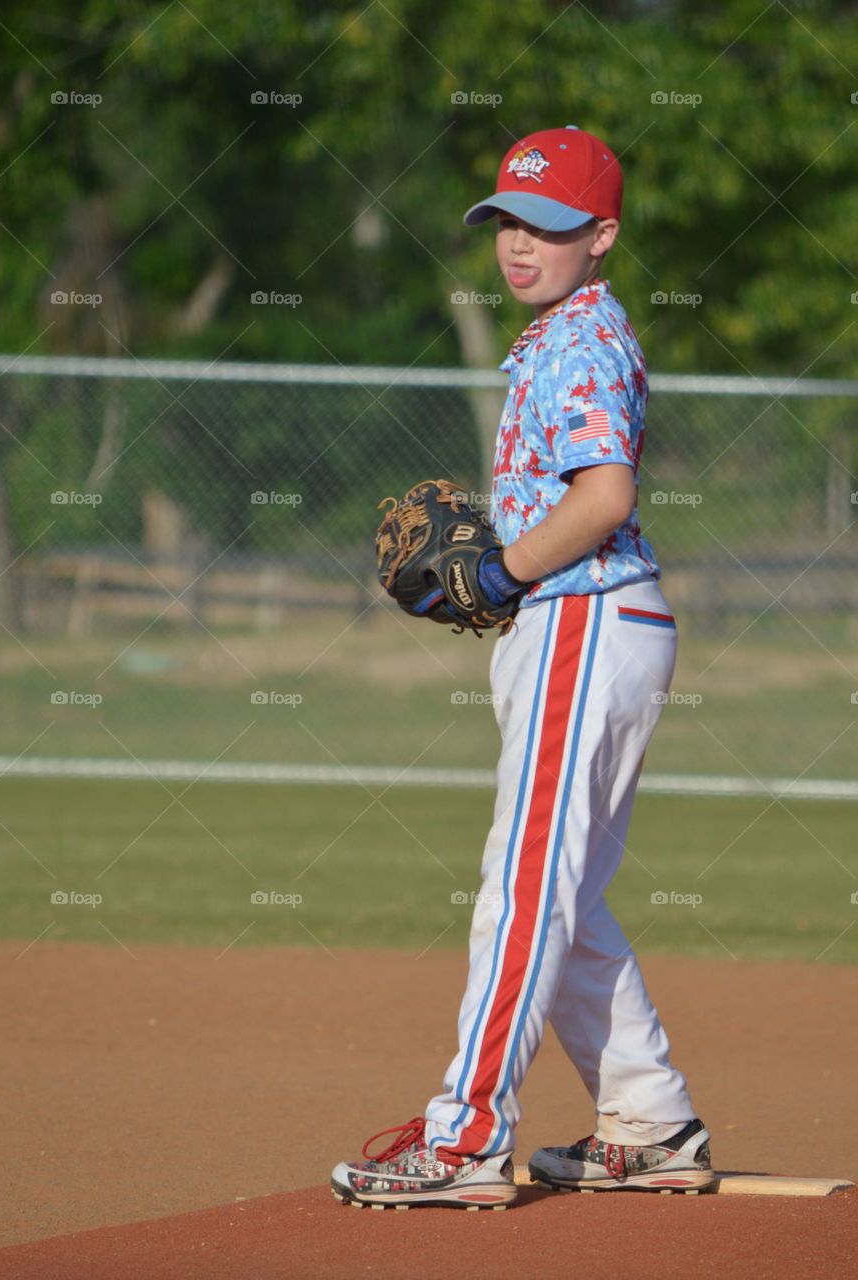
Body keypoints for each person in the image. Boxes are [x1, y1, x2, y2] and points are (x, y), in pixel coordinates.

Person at [331, 126, 712, 1209]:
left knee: (522, 886)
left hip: (582, 616)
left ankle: (461, 1140)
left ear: (600, 236)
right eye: (507, 221)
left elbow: (603, 496)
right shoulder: (557, 335)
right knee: (569, 893)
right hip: (592, 623)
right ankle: (647, 1120)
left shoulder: (583, 341)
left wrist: (499, 571)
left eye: (548, 226)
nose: (519, 244)